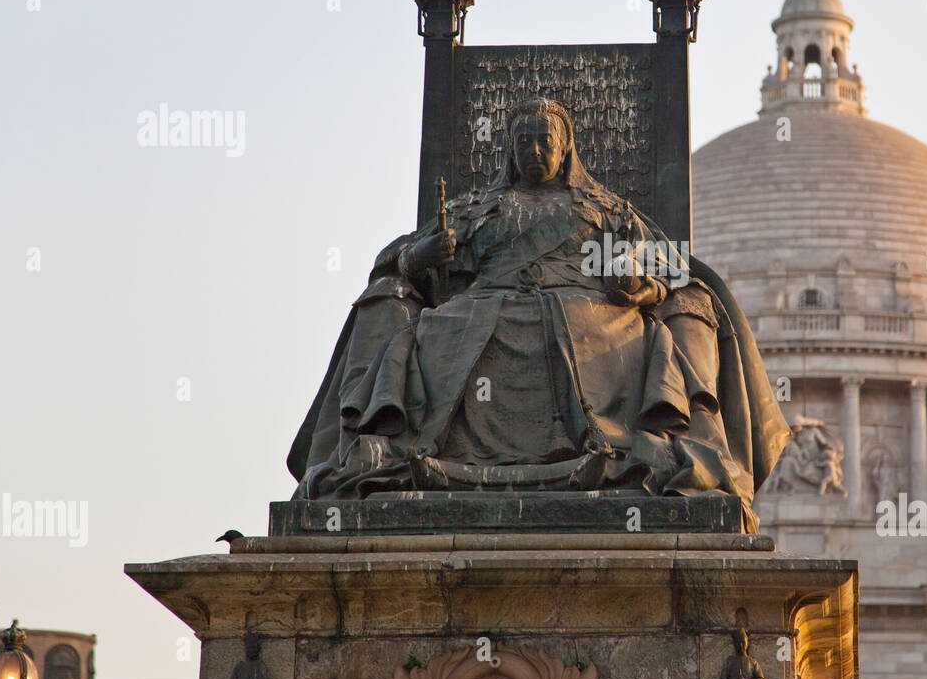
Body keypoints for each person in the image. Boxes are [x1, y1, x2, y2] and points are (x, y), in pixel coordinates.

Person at [287, 98, 787, 530]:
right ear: (510, 149)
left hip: (585, 310)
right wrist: (423, 258)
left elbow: (664, 269)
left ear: (565, 146)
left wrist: (635, 282)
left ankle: (693, 448)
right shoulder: (477, 207)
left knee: (694, 300)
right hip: (482, 309)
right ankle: (362, 450)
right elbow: (405, 263)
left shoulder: (607, 210)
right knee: (386, 297)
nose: (534, 151)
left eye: (544, 141)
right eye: (523, 142)